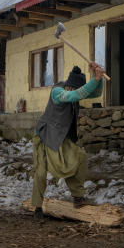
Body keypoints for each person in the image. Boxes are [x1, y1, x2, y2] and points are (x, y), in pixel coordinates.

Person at [30, 61, 105, 221]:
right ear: (68, 85)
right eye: (72, 88)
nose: (73, 91)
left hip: (61, 137)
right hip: (44, 136)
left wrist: (97, 77)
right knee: (41, 173)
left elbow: (95, 93)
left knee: (79, 158)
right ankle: (37, 206)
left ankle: (78, 197)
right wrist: (95, 79)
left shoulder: (76, 91)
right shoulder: (58, 91)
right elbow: (74, 96)